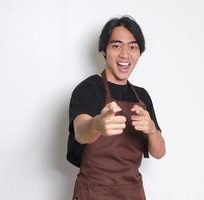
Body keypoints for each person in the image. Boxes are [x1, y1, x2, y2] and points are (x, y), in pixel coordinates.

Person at [68, 15, 166, 200]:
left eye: (132, 47)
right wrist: (97, 125)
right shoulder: (88, 89)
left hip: (132, 193)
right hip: (94, 192)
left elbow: (159, 152)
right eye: (116, 45)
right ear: (104, 50)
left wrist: (152, 131)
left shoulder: (142, 97)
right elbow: (80, 131)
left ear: (139, 52)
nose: (125, 54)